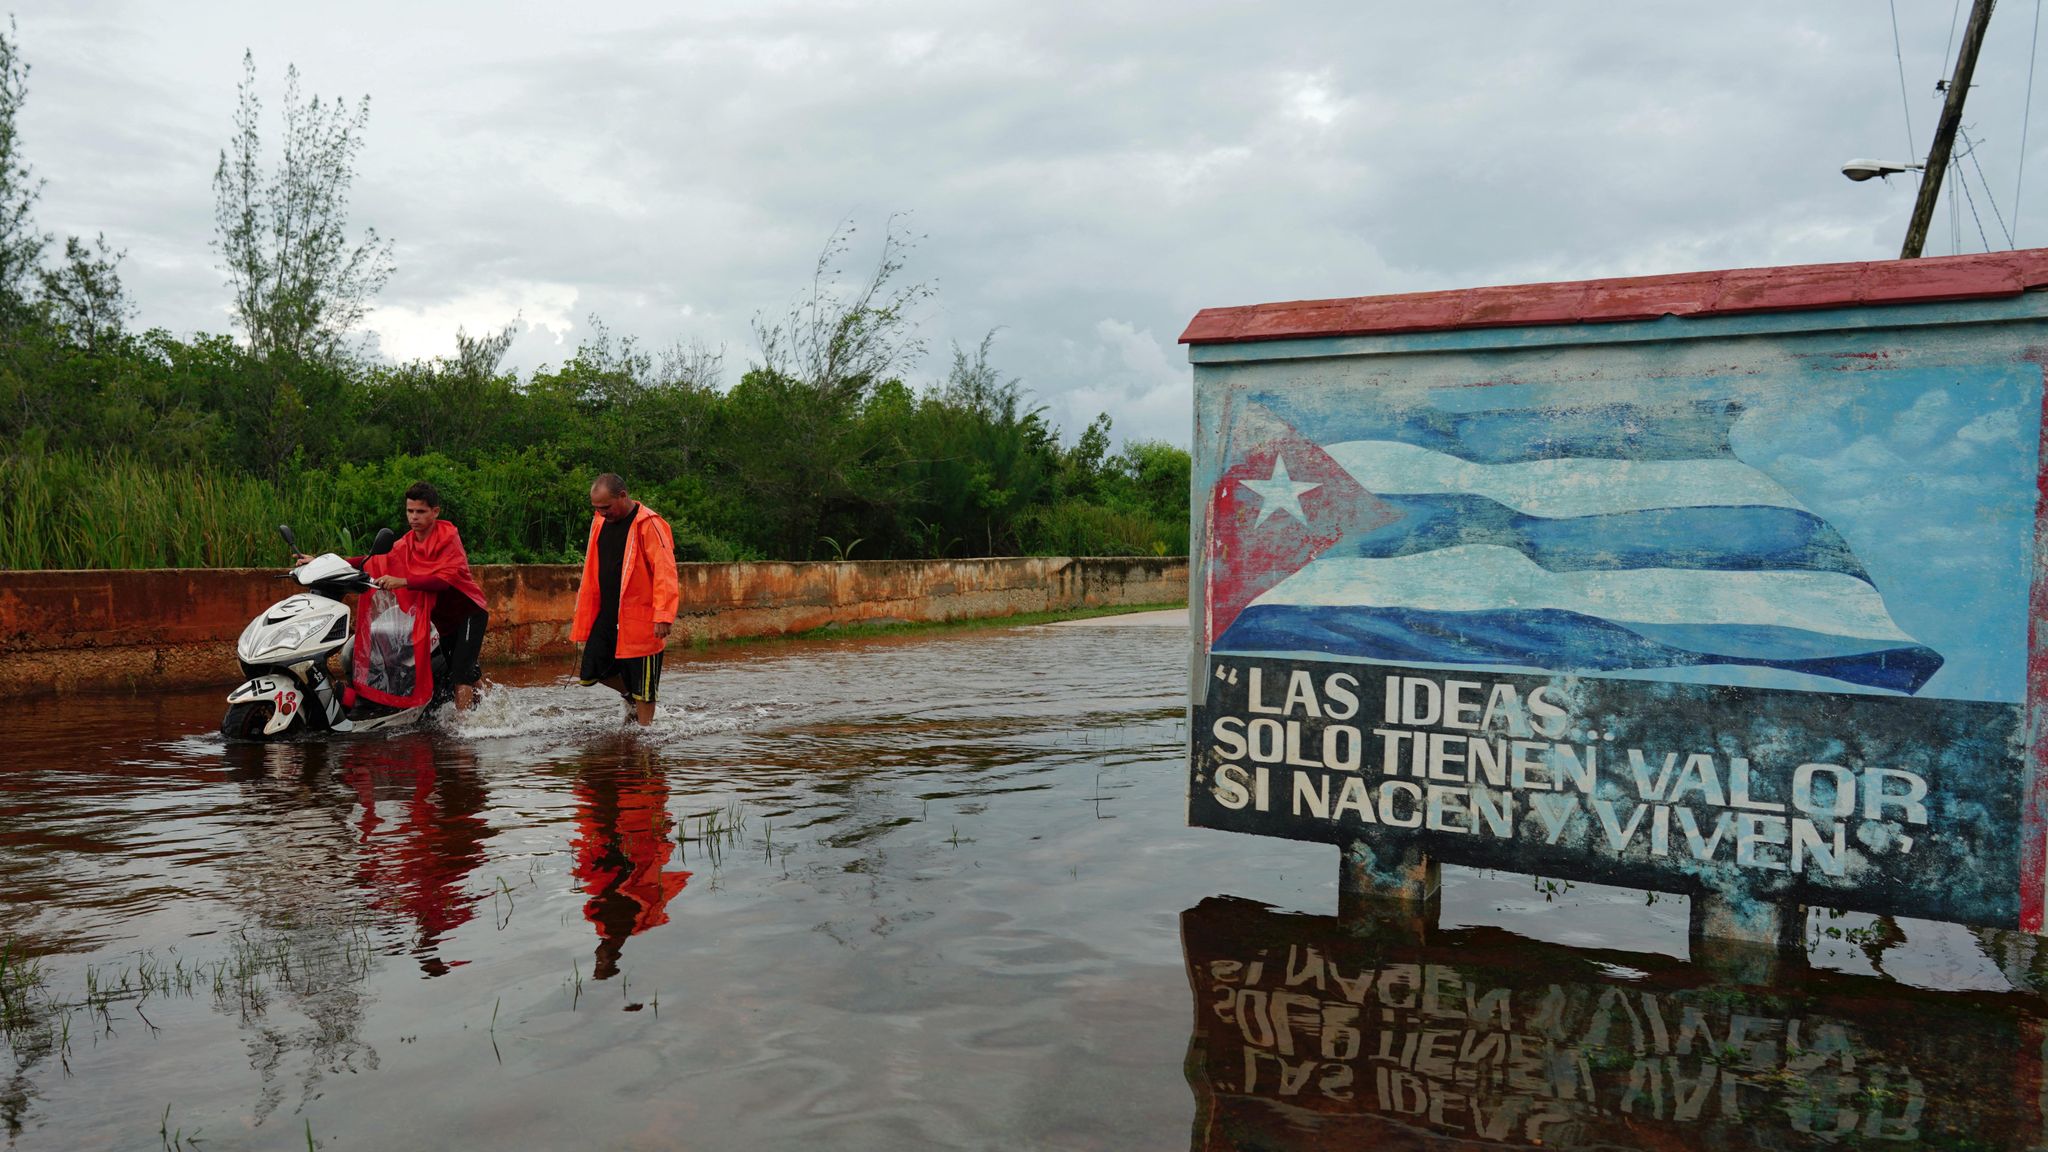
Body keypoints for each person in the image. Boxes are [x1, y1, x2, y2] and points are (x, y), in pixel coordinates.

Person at [296, 481, 490, 711]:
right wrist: (321, 562)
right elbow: (373, 560)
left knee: (461, 675)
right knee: (468, 671)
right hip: (444, 621)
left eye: (421, 511)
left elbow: (444, 580)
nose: (414, 517)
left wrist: (403, 581)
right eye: (410, 511)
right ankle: (493, 709)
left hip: (468, 613)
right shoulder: (407, 543)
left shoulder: (448, 538)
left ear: (435, 512)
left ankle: (464, 730)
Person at [571, 473, 680, 726]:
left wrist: (663, 614)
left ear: (623, 496)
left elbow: (665, 571)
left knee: (644, 683)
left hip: (640, 617)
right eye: (596, 508)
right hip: (608, 613)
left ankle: (646, 736)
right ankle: (629, 697)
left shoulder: (649, 524)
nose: (601, 513)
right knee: (592, 671)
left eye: (606, 507)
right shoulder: (599, 522)